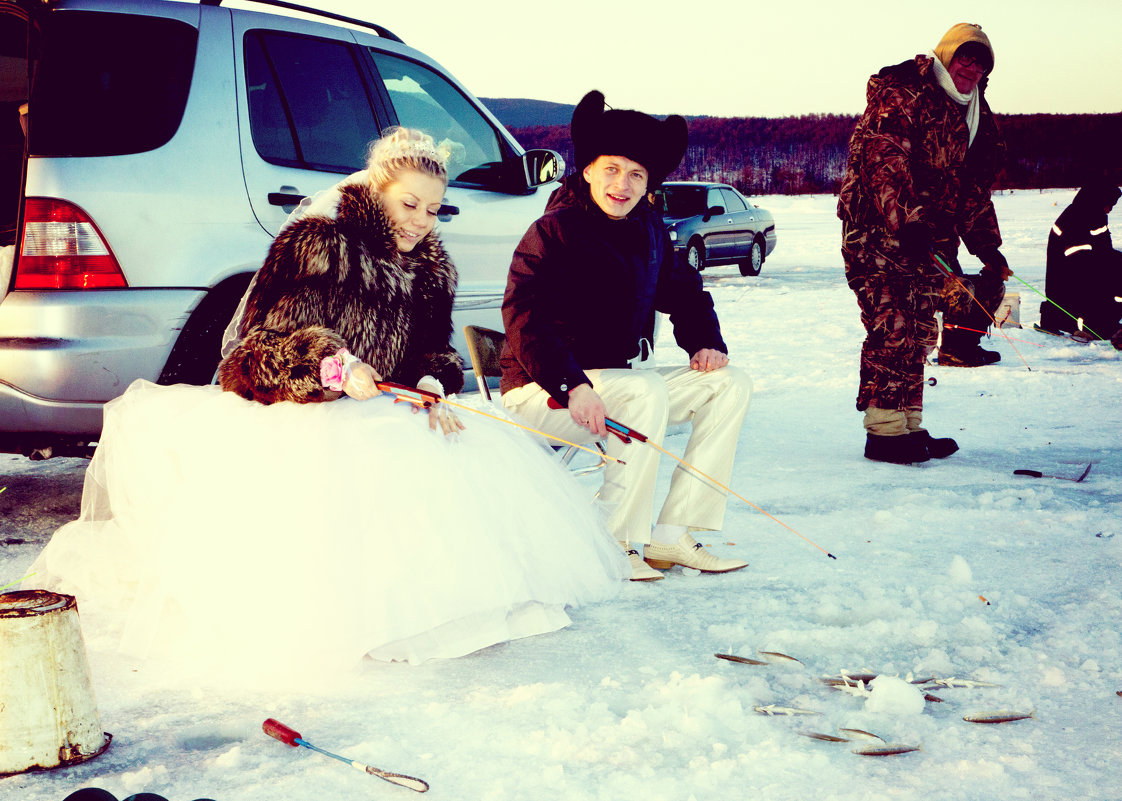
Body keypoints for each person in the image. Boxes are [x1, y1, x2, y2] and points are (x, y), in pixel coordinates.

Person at [27, 128, 628, 681]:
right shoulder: (318, 244)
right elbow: (247, 353)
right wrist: (331, 367)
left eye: (431, 207)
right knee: (353, 466)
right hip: (300, 410)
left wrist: (432, 382)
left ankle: (433, 602)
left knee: (452, 452)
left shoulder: (433, 268)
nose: (420, 221)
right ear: (376, 192)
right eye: (407, 204)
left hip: (388, 407)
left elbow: (433, 351)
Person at [499, 91, 752, 582]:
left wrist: (705, 341)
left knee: (729, 384)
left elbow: (685, 291)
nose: (623, 183)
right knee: (644, 389)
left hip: (623, 390)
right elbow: (523, 315)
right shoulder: (552, 230)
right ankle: (615, 541)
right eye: (612, 169)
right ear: (589, 170)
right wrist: (570, 384)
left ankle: (673, 533)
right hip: (544, 393)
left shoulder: (650, 229)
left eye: (637, 174)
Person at [838, 23, 1011, 465]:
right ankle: (884, 432)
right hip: (877, 231)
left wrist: (987, 246)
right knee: (891, 324)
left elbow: (973, 189)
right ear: (946, 56)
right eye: (964, 57)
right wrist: (907, 221)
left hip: (930, 240)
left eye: (981, 62)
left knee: (918, 330)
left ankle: (909, 426)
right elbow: (884, 162)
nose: (970, 67)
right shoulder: (906, 93)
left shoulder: (976, 116)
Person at [1039, 179, 1122, 341]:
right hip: (1068, 289)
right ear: (1097, 200)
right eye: (1108, 204)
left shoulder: (1095, 216)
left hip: (1085, 281)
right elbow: (1081, 266)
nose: (1109, 210)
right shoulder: (1075, 219)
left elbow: (1104, 253)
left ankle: (1108, 320)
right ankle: (1093, 325)